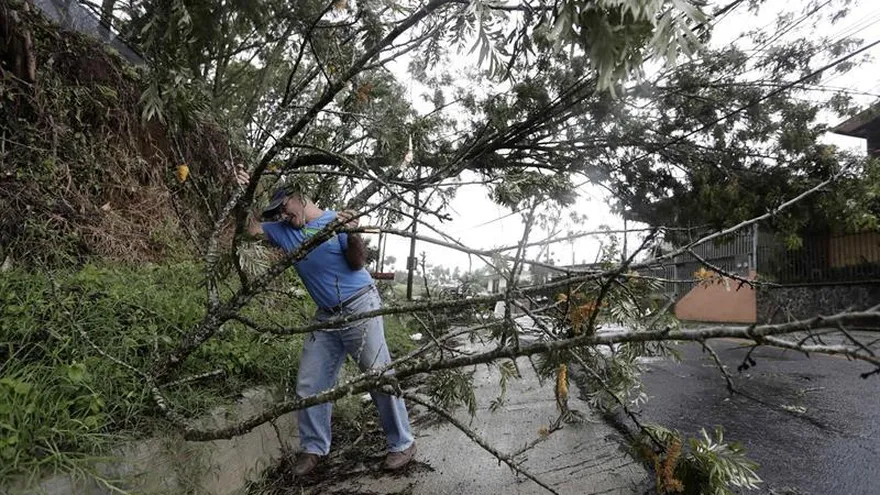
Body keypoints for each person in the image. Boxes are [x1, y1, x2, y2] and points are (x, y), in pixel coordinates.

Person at [235, 169, 416, 476]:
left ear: (299, 197)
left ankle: (402, 443)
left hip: (360, 304)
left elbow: (357, 262)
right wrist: (245, 192)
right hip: (326, 316)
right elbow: (250, 230)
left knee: (378, 375)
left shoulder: (335, 220)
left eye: (284, 207)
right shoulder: (283, 229)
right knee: (310, 382)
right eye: (276, 211)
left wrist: (351, 232)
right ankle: (314, 448)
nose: (282, 214)